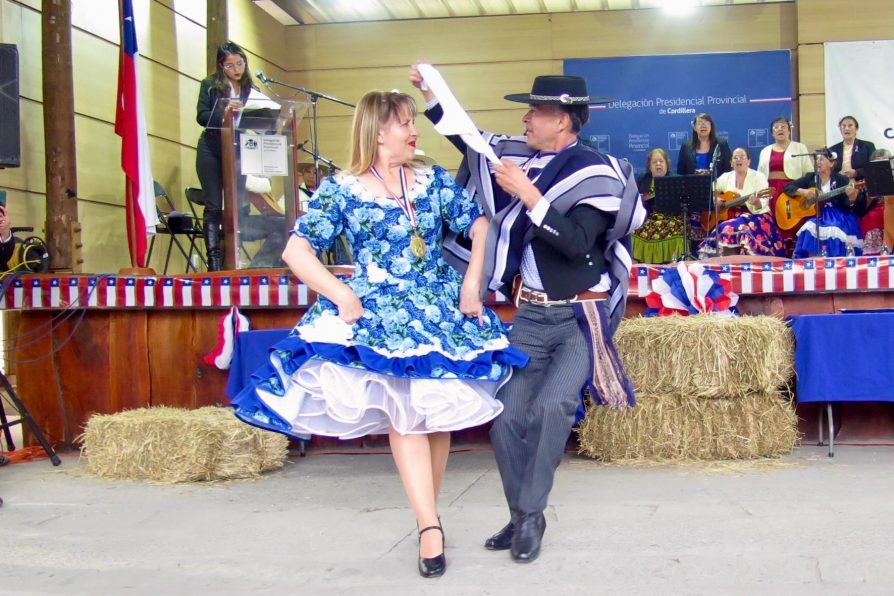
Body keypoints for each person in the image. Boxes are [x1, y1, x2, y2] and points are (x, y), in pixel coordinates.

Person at [230, 90, 528, 579]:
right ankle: (429, 525)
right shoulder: (343, 189)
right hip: (379, 310)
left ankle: (426, 516)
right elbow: (297, 252)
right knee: (408, 416)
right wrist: (341, 295)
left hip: (437, 305)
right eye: (404, 123)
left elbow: (479, 224)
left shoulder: (430, 180)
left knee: (435, 418)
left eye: (413, 121)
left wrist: (473, 282)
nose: (414, 131)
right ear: (376, 129)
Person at [410, 64, 644, 563]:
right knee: (505, 413)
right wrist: (434, 94)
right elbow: (470, 141)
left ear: (563, 120)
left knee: (552, 407)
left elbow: (579, 242)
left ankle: (531, 514)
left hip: (582, 318)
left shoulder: (594, 171)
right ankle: (522, 516)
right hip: (531, 317)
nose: (526, 119)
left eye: (536, 112)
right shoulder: (522, 158)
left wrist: (530, 196)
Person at [195, 41, 255, 271]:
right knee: (213, 205)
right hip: (211, 148)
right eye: (230, 65)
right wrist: (224, 109)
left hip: (238, 150)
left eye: (240, 63)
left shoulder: (250, 88)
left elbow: (259, 118)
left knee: (237, 205)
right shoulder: (210, 85)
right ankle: (214, 262)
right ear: (221, 66)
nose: (236, 69)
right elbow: (201, 116)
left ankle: (235, 257)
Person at [698, 147, 784, 257]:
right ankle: (727, 265)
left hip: (756, 215)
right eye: (735, 158)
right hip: (733, 215)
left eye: (743, 157)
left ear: (749, 161)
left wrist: (756, 202)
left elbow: (763, 203)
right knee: (726, 226)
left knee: (730, 227)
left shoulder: (758, 177)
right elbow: (710, 189)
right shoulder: (726, 177)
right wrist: (716, 199)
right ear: (731, 163)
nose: (739, 160)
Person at [784, 148, 861, 257]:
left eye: (822, 159)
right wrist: (803, 191)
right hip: (816, 214)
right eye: (816, 159)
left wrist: (851, 197)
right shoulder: (810, 177)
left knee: (833, 226)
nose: (818, 162)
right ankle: (812, 264)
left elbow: (846, 205)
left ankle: (835, 261)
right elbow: (787, 187)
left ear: (831, 163)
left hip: (837, 214)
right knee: (809, 227)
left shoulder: (841, 180)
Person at [756, 116, 814, 249]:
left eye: (783, 126)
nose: (780, 129)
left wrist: (806, 191)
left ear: (789, 130)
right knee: (771, 223)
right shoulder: (765, 151)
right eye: (776, 127)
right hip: (770, 191)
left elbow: (809, 173)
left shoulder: (799, 148)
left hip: (791, 190)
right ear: (772, 132)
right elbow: (759, 175)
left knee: (790, 222)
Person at [632, 148, 685, 263]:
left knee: (676, 226)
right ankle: (644, 262)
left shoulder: (675, 179)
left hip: (671, 217)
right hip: (649, 217)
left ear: (667, 164)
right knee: (636, 227)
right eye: (654, 162)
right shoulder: (643, 179)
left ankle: (673, 261)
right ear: (650, 167)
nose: (658, 164)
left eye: (661, 161)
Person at [856, 148, 893, 255]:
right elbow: (861, 208)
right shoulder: (867, 179)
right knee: (873, 217)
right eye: (878, 162)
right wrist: (870, 196)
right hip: (876, 209)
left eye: (884, 161)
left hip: (890, 208)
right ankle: (876, 256)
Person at [676, 113, 732, 177]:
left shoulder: (722, 144)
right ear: (694, 127)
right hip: (692, 185)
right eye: (699, 123)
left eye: (706, 123)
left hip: (717, 185)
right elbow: (681, 172)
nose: (703, 126)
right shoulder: (686, 146)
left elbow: (728, 170)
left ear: (711, 126)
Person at [829, 115, 877, 180]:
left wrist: (856, 173)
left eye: (850, 125)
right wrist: (838, 175)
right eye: (843, 126)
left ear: (856, 129)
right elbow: (828, 171)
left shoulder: (867, 146)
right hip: (840, 186)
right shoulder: (833, 149)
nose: (846, 128)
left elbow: (874, 168)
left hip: (861, 185)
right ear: (840, 130)